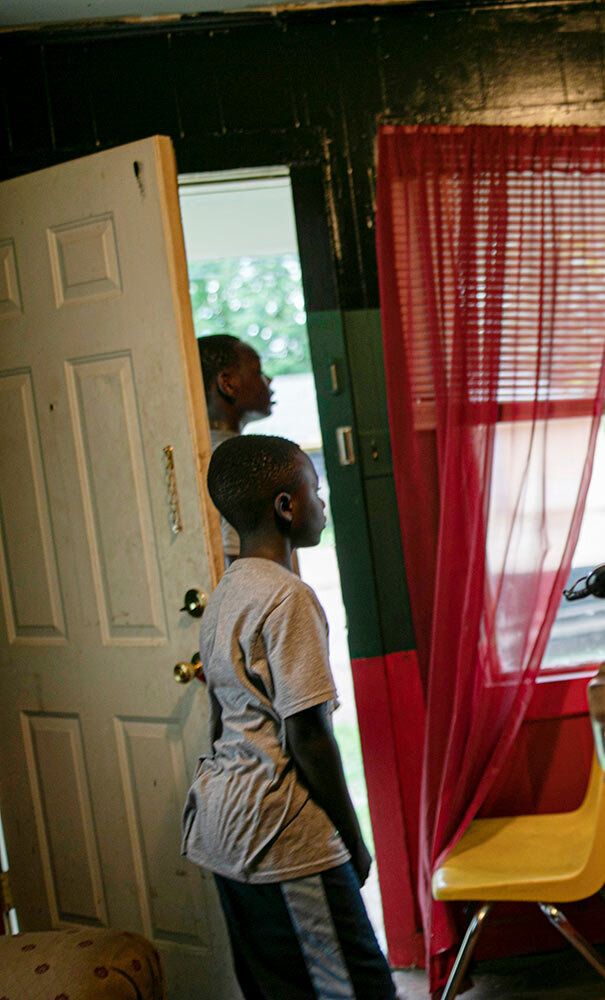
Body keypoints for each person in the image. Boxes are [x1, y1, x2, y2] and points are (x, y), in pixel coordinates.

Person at [181, 434, 394, 1000]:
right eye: (315, 491)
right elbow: (309, 736)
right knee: (356, 987)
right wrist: (352, 839)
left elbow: (219, 718)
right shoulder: (288, 597)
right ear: (286, 506)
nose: (322, 505)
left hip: (220, 825)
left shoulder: (227, 591)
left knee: (277, 989)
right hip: (278, 834)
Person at [198, 333, 275, 565]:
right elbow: (237, 561)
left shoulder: (199, 452)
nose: (268, 381)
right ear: (228, 383)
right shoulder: (236, 460)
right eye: (258, 371)